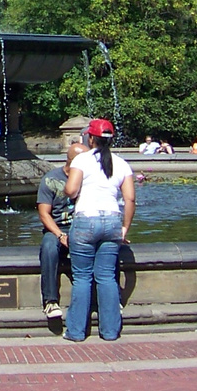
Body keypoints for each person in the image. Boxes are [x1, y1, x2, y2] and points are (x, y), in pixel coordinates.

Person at [62, 119, 135, 342]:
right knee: (106, 277)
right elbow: (130, 198)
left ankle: (75, 332)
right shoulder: (121, 163)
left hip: (86, 220)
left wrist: (68, 191)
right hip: (112, 220)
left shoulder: (82, 159)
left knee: (83, 277)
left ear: (90, 138)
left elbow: (72, 190)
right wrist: (124, 228)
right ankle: (111, 331)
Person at [36, 141, 84, 320]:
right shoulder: (50, 179)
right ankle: (50, 302)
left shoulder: (88, 178)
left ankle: (107, 299)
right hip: (57, 228)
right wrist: (60, 234)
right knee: (49, 247)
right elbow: (44, 214)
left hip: (82, 226)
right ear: (72, 162)